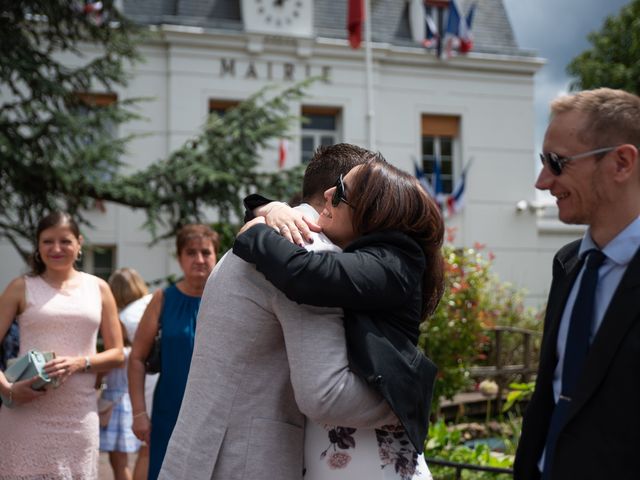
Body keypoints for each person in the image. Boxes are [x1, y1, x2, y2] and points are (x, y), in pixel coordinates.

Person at [159, 144, 404, 480]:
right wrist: (406, 402)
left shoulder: (267, 234)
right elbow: (326, 396)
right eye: (373, 203)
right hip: (244, 459)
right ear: (335, 195)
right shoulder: (309, 248)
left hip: (200, 452)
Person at [232, 153, 444, 479]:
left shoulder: (397, 259)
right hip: (345, 446)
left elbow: (306, 275)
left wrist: (253, 232)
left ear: (374, 211)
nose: (328, 194)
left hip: (376, 458)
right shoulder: (368, 257)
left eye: (342, 190)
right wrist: (269, 208)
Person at [514, 88, 640, 480]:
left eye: (556, 163)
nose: (541, 181)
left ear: (621, 163)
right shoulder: (568, 263)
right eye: (542, 162)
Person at [0, 211, 124, 478]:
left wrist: (81, 362)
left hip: (79, 418)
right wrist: (7, 388)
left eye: (65, 241)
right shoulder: (20, 287)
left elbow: (117, 354)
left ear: (79, 243)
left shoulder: (99, 288)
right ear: (37, 245)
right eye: (47, 241)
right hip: (26, 414)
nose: (56, 249)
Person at [129, 224, 219, 480]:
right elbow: (136, 358)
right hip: (170, 410)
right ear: (179, 257)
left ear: (216, 255)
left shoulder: (229, 297)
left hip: (216, 413)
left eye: (206, 252)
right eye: (191, 252)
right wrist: (139, 414)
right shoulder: (163, 299)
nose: (199, 259)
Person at [106, 268, 155, 480]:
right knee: (151, 448)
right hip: (165, 376)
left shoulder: (123, 318)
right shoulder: (155, 301)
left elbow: (121, 354)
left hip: (135, 386)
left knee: (136, 454)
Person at [98, 320, 140, 480]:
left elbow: (101, 375)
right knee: (121, 462)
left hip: (115, 404)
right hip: (125, 402)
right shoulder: (132, 351)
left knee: (118, 462)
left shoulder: (119, 354)